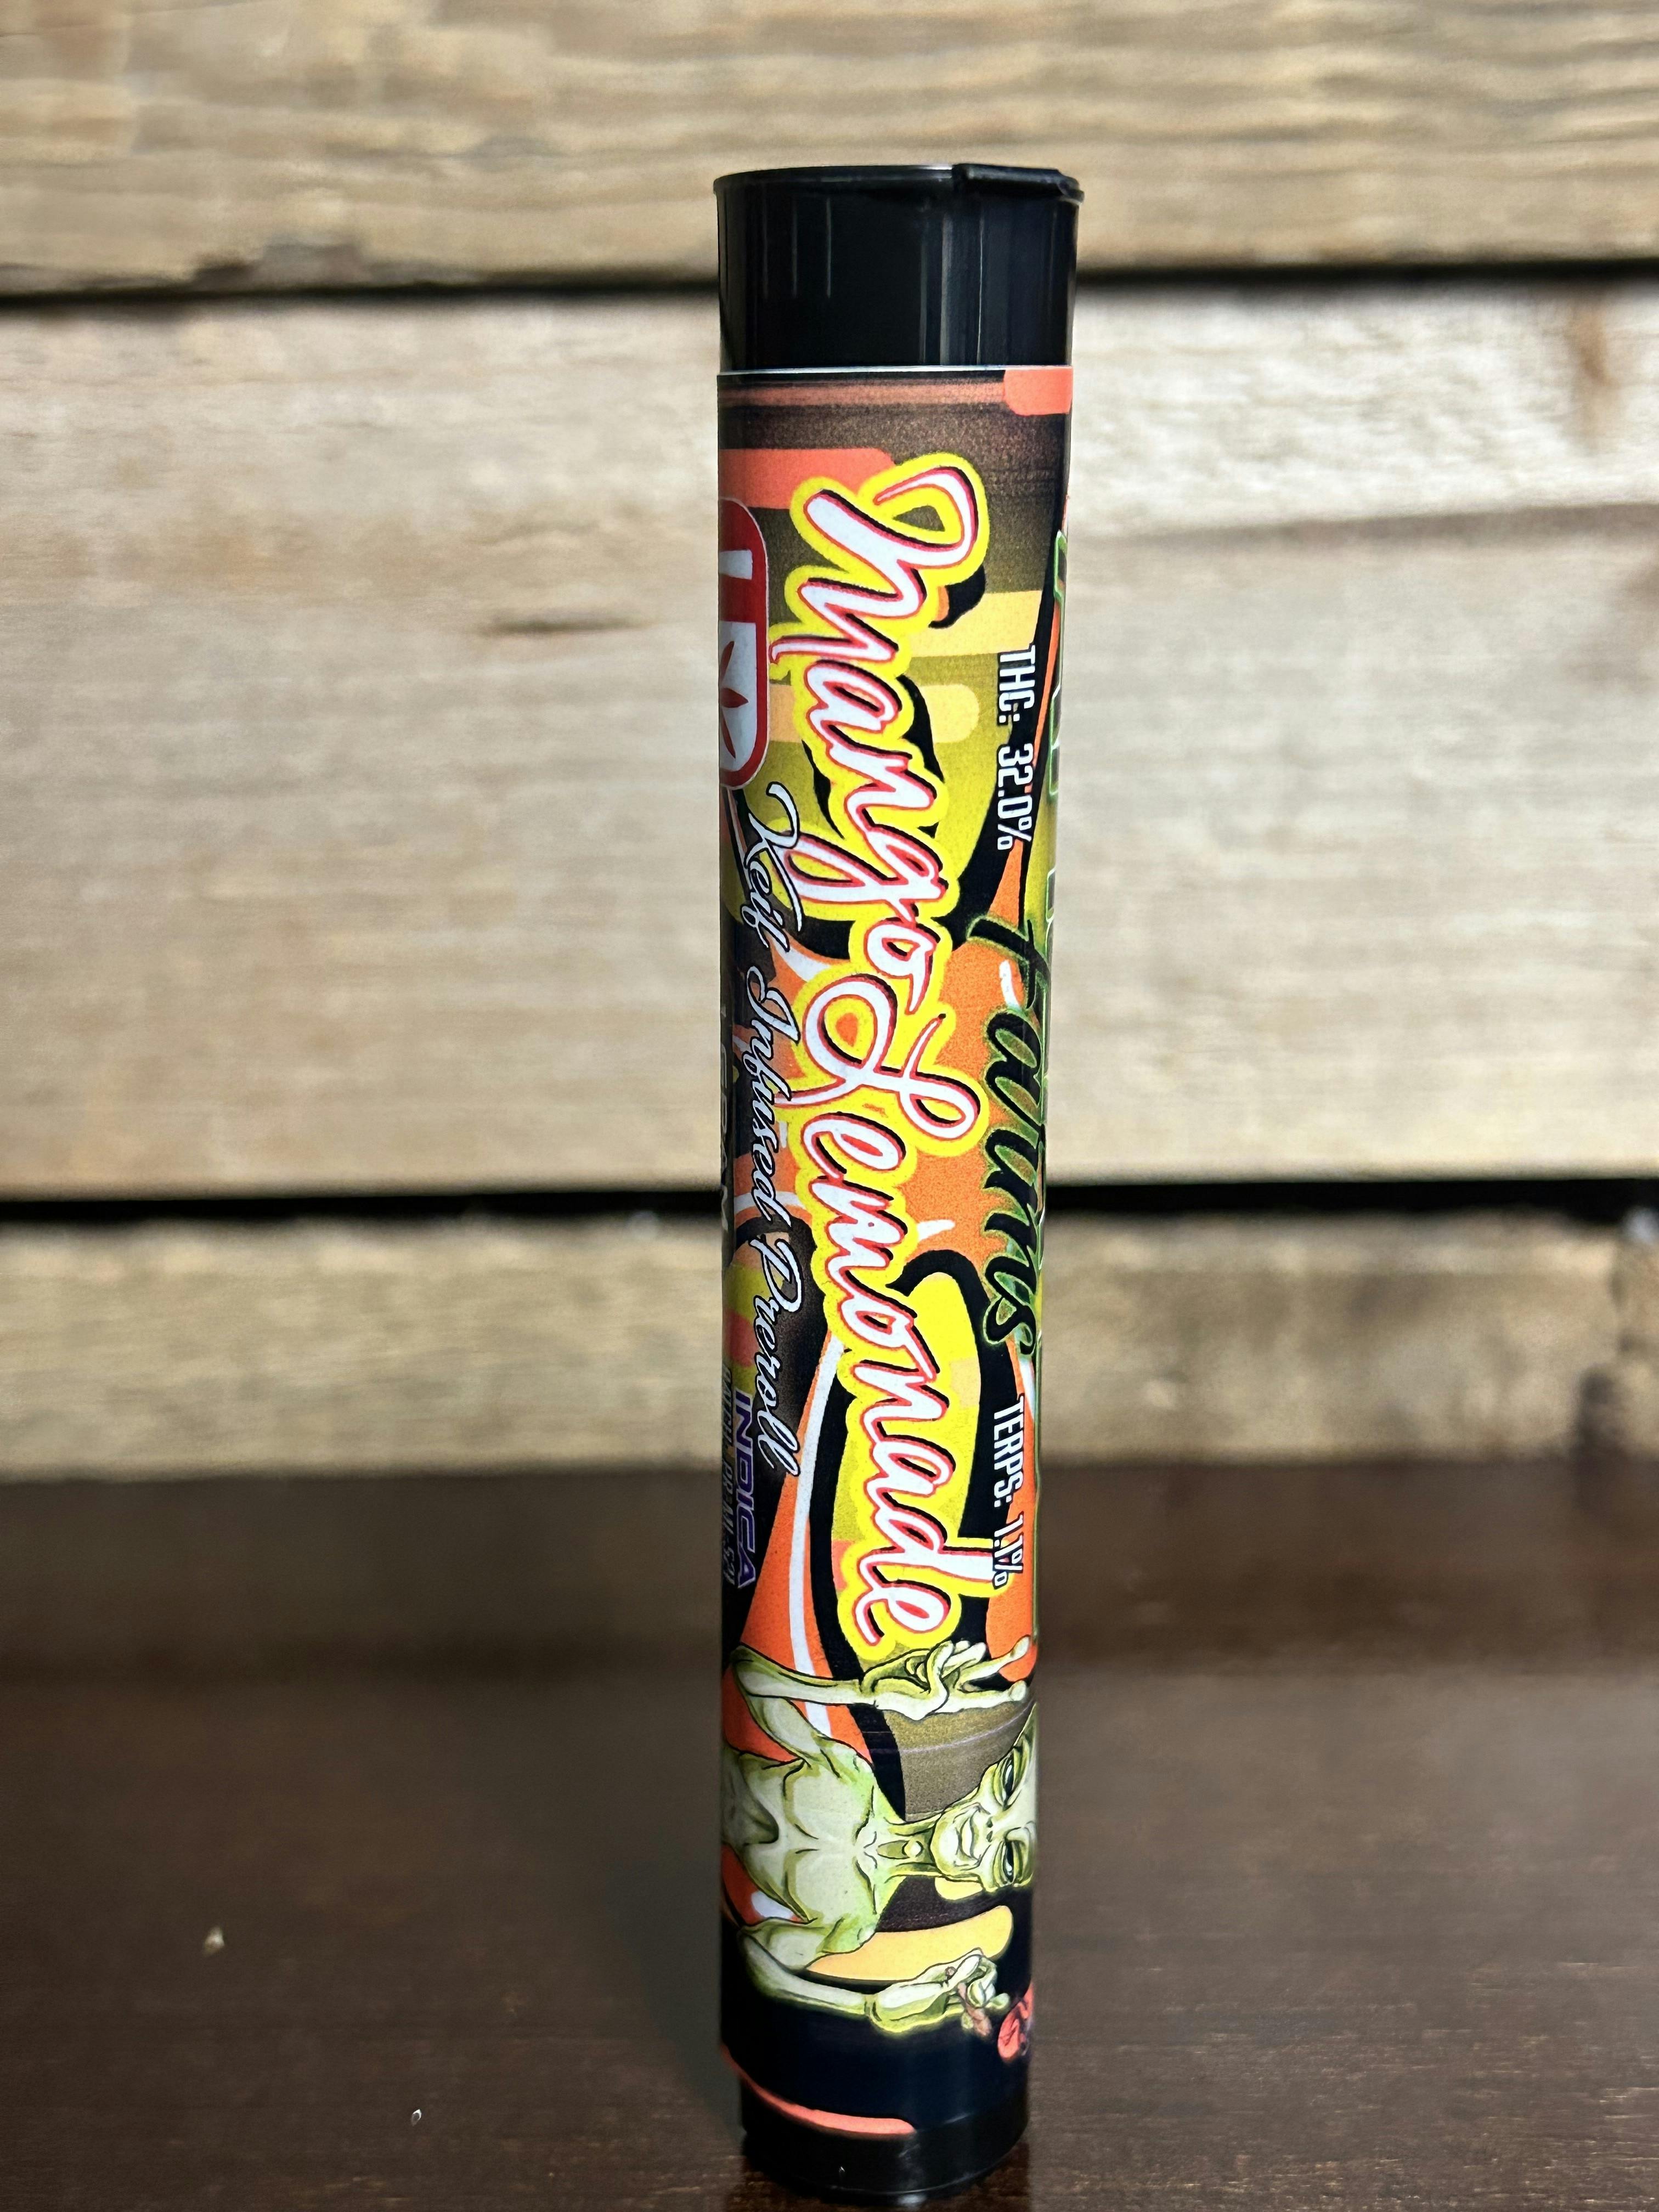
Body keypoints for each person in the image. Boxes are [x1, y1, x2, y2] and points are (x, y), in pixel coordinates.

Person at [722, 1633, 1034, 2035]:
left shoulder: (854, 1922)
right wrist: (862, 1693)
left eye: (1009, 1856)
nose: (987, 1827)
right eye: (1006, 1785)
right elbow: (747, 1674)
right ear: (988, 1775)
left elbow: (756, 1952)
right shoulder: (850, 1776)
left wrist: (868, 2007)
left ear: (992, 1883)